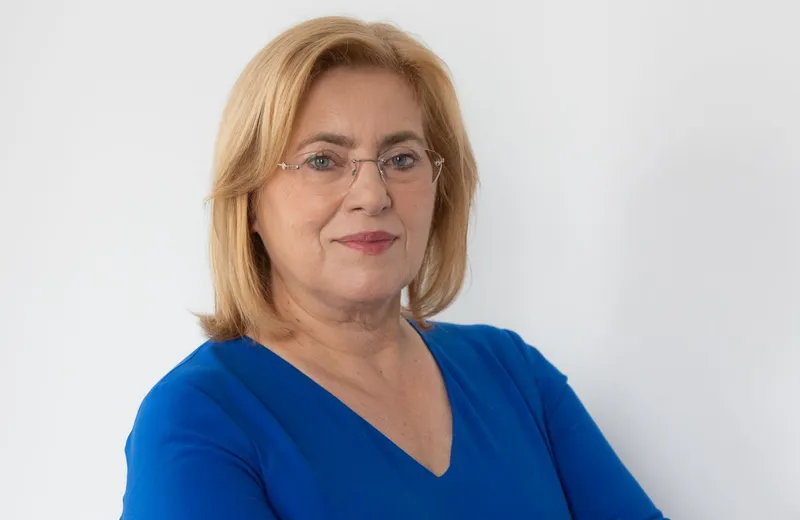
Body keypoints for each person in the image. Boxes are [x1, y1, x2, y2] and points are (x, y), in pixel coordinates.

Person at [120, 15, 668, 520]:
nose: (372, 194)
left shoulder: (513, 374)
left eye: (401, 159)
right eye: (322, 160)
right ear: (250, 203)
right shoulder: (199, 417)